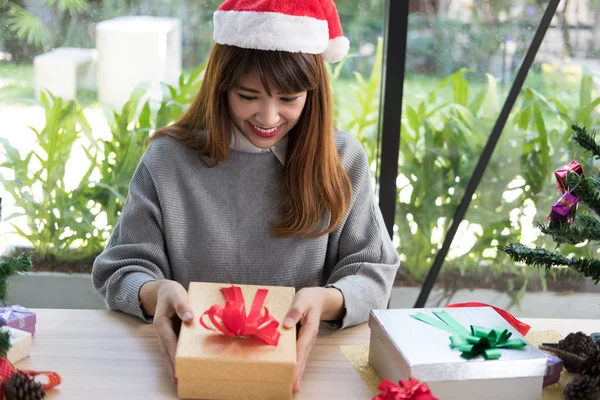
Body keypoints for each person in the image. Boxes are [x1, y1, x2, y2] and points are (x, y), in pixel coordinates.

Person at [92, 0, 400, 392]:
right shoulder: (168, 159)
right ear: (221, 86)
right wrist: (155, 292)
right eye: (248, 96)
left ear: (313, 93)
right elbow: (121, 267)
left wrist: (326, 301)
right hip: (189, 375)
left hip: (306, 375)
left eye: (289, 99)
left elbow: (372, 271)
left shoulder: (341, 160)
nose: (268, 117)